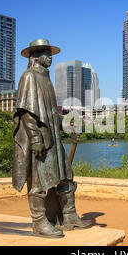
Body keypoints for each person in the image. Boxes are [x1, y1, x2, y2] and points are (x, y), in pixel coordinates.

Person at [12, 39, 91, 238]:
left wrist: (67, 127)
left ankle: (69, 216)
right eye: (47, 54)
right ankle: (39, 222)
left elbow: (51, 114)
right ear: (35, 56)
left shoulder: (46, 78)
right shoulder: (29, 77)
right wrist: (35, 138)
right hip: (41, 140)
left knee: (66, 177)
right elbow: (27, 113)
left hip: (54, 139)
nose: (51, 57)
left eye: (50, 54)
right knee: (39, 183)